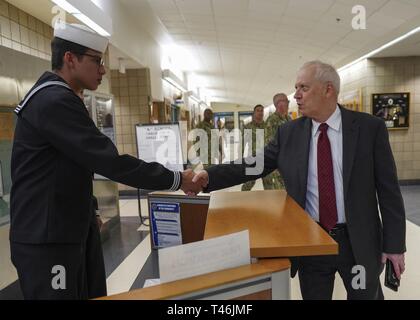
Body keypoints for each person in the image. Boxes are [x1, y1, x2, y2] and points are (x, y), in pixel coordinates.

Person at [10, 22, 198, 300]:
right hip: (48, 240)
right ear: (70, 59)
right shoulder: (53, 100)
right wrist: (178, 179)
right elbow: (110, 161)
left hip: (68, 228)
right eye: (96, 61)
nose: (102, 70)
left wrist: (91, 210)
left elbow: (72, 164)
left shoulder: (61, 97)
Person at [191, 61, 406, 300]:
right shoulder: (289, 133)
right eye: (296, 87)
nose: (297, 95)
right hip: (311, 242)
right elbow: (253, 164)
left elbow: (389, 191)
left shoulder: (368, 128)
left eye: (304, 87)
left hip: (358, 244)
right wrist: (210, 176)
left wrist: (395, 245)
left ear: (328, 90)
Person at [263, 93, 293, 190]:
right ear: (279, 104)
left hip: (289, 161)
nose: (288, 103)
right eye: (286, 101)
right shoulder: (271, 121)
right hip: (278, 164)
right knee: (281, 192)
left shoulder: (288, 118)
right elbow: (270, 144)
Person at [241, 105, 269, 191]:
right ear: (254, 113)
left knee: (269, 183)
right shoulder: (247, 127)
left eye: (262, 111)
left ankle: (271, 202)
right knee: (248, 183)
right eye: (258, 110)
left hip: (267, 158)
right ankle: (242, 199)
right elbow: (243, 144)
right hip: (253, 159)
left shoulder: (267, 126)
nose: (260, 112)